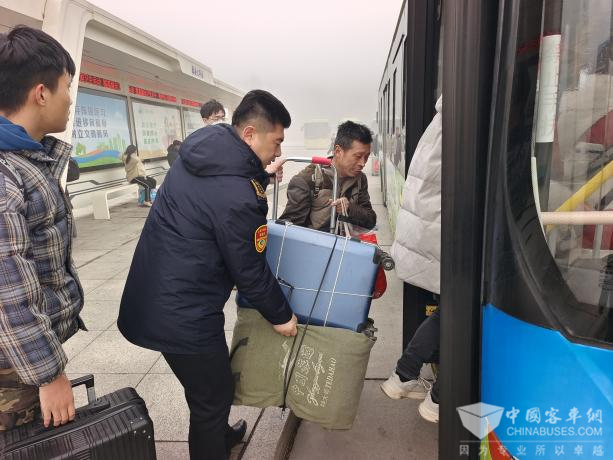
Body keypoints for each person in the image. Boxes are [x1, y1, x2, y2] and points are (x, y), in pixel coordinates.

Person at [117, 89, 298, 460]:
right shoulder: (237, 192)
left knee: (207, 385)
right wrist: (282, 316)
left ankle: (222, 435)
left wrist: (261, 177)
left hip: (157, 294)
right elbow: (249, 268)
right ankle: (213, 445)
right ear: (250, 134)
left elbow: (219, 196)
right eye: (277, 142)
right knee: (213, 396)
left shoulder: (208, 149)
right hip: (183, 311)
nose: (278, 151)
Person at [0, 26, 84, 431]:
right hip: (13, 371)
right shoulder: (6, 173)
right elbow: (7, 288)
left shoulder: (24, 159)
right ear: (41, 93)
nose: (69, 98)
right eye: (66, 86)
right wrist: (49, 375)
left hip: (20, 359)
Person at [380, 95, 442, 424]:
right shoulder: (466, 117)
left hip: (430, 235)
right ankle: (440, 397)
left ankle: (404, 375)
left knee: (450, 312)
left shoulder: (440, 122)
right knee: (470, 314)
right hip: (442, 236)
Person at [279, 120, 376, 233]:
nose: (363, 163)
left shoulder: (360, 179)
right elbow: (289, 229)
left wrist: (349, 208)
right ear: (338, 151)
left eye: (366, 157)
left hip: (346, 243)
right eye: (358, 156)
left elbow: (371, 220)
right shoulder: (307, 179)